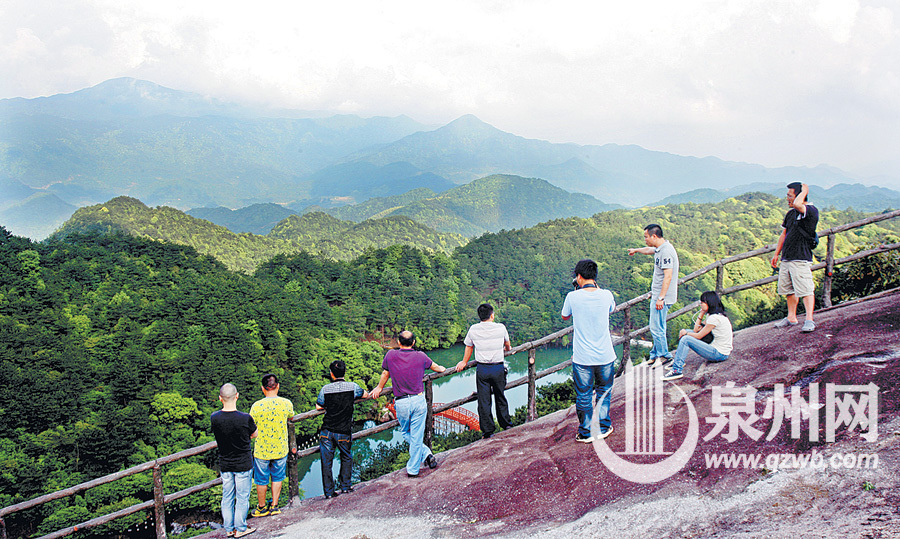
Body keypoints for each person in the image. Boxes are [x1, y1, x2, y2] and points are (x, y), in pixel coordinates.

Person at [372, 330, 447, 477]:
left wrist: (379, 387)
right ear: (413, 342)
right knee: (416, 435)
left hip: (402, 402)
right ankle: (426, 455)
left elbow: (385, 374)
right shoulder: (420, 356)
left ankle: (414, 468)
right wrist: (443, 369)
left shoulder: (391, 355)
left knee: (407, 432)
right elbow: (436, 367)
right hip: (419, 400)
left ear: (398, 342)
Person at [561, 259, 617, 443]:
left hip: (582, 357)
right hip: (605, 355)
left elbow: (564, 316)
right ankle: (602, 427)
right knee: (603, 392)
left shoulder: (572, 297)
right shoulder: (607, 295)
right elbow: (612, 309)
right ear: (595, 276)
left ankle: (585, 432)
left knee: (584, 395)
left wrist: (576, 292)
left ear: (578, 277)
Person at [455, 303, 512, 439]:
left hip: (483, 369)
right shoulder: (501, 327)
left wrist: (464, 362)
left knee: (484, 400)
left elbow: (469, 346)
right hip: (498, 367)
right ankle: (506, 425)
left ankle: (488, 431)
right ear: (492, 315)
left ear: (480, 316)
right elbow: (507, 345)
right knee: (500, 397)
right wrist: (507, 350)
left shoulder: (474, 329)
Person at [315, 360, 369, 499]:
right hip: (343, 430)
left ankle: (329, 493)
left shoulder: (325, 389)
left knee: (326, 462)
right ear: (344, 372)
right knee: (346, 457)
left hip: (327, 430)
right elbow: (365, 394)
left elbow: (318, 406)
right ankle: (345, 487)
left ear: (332, 374)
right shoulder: (352, 387)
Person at [628, 224, 680, 367]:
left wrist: (661, 298)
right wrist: (636, 250)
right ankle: (655, 355)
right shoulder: (660, 248)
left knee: (656, 328)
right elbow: (649, 250)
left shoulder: (666, 252)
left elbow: (668, 276)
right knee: (658, 326)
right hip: (659, 295)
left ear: (654, 236)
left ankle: (664, 356)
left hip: (662, 297)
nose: (645, 239)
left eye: (646, 237)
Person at [211, 383, 258, 538]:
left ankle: (229, 529)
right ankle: (241, 528)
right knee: (242, 497)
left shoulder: (215, 418)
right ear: (237, 396)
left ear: (220, 398)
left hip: (225, 462)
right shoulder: (245, 418)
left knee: (227, 496)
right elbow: (255, 434)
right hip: (243, 462)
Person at [771, 182, 819, 332]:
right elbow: (784, 234)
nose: (787, 199)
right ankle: (791, 317)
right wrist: (777, 254)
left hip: (800, 257)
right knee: (788, 289)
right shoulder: (791, 214)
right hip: (787, 257)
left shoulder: (810, 211)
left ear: (799, 196)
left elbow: (799, 203)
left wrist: (804, 189)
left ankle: (809, 320)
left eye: (790, 196)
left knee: (805, 289)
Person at [249, 374, 296, 518]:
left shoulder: (256, 406)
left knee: (261, 479)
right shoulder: (286, 403)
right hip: (280, 448)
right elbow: (291, 416)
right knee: (278, 477)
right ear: (278, 386)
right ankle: (275, 506)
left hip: (262, 449)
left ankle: (262, 507)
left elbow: (250, 425)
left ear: (263, 388)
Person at [662, 291, 733, 381]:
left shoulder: (714, 319)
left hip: (719, 353)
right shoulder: (715, 315)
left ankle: (676, 370)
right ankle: (678, 361)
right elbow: (696, 330)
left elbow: (698, 336)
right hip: (718, 348)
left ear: (709, 303)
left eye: (702, 303)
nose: (700, 305)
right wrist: (701, 313)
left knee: (686, 339)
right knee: (687, 332)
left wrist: (685, 334)